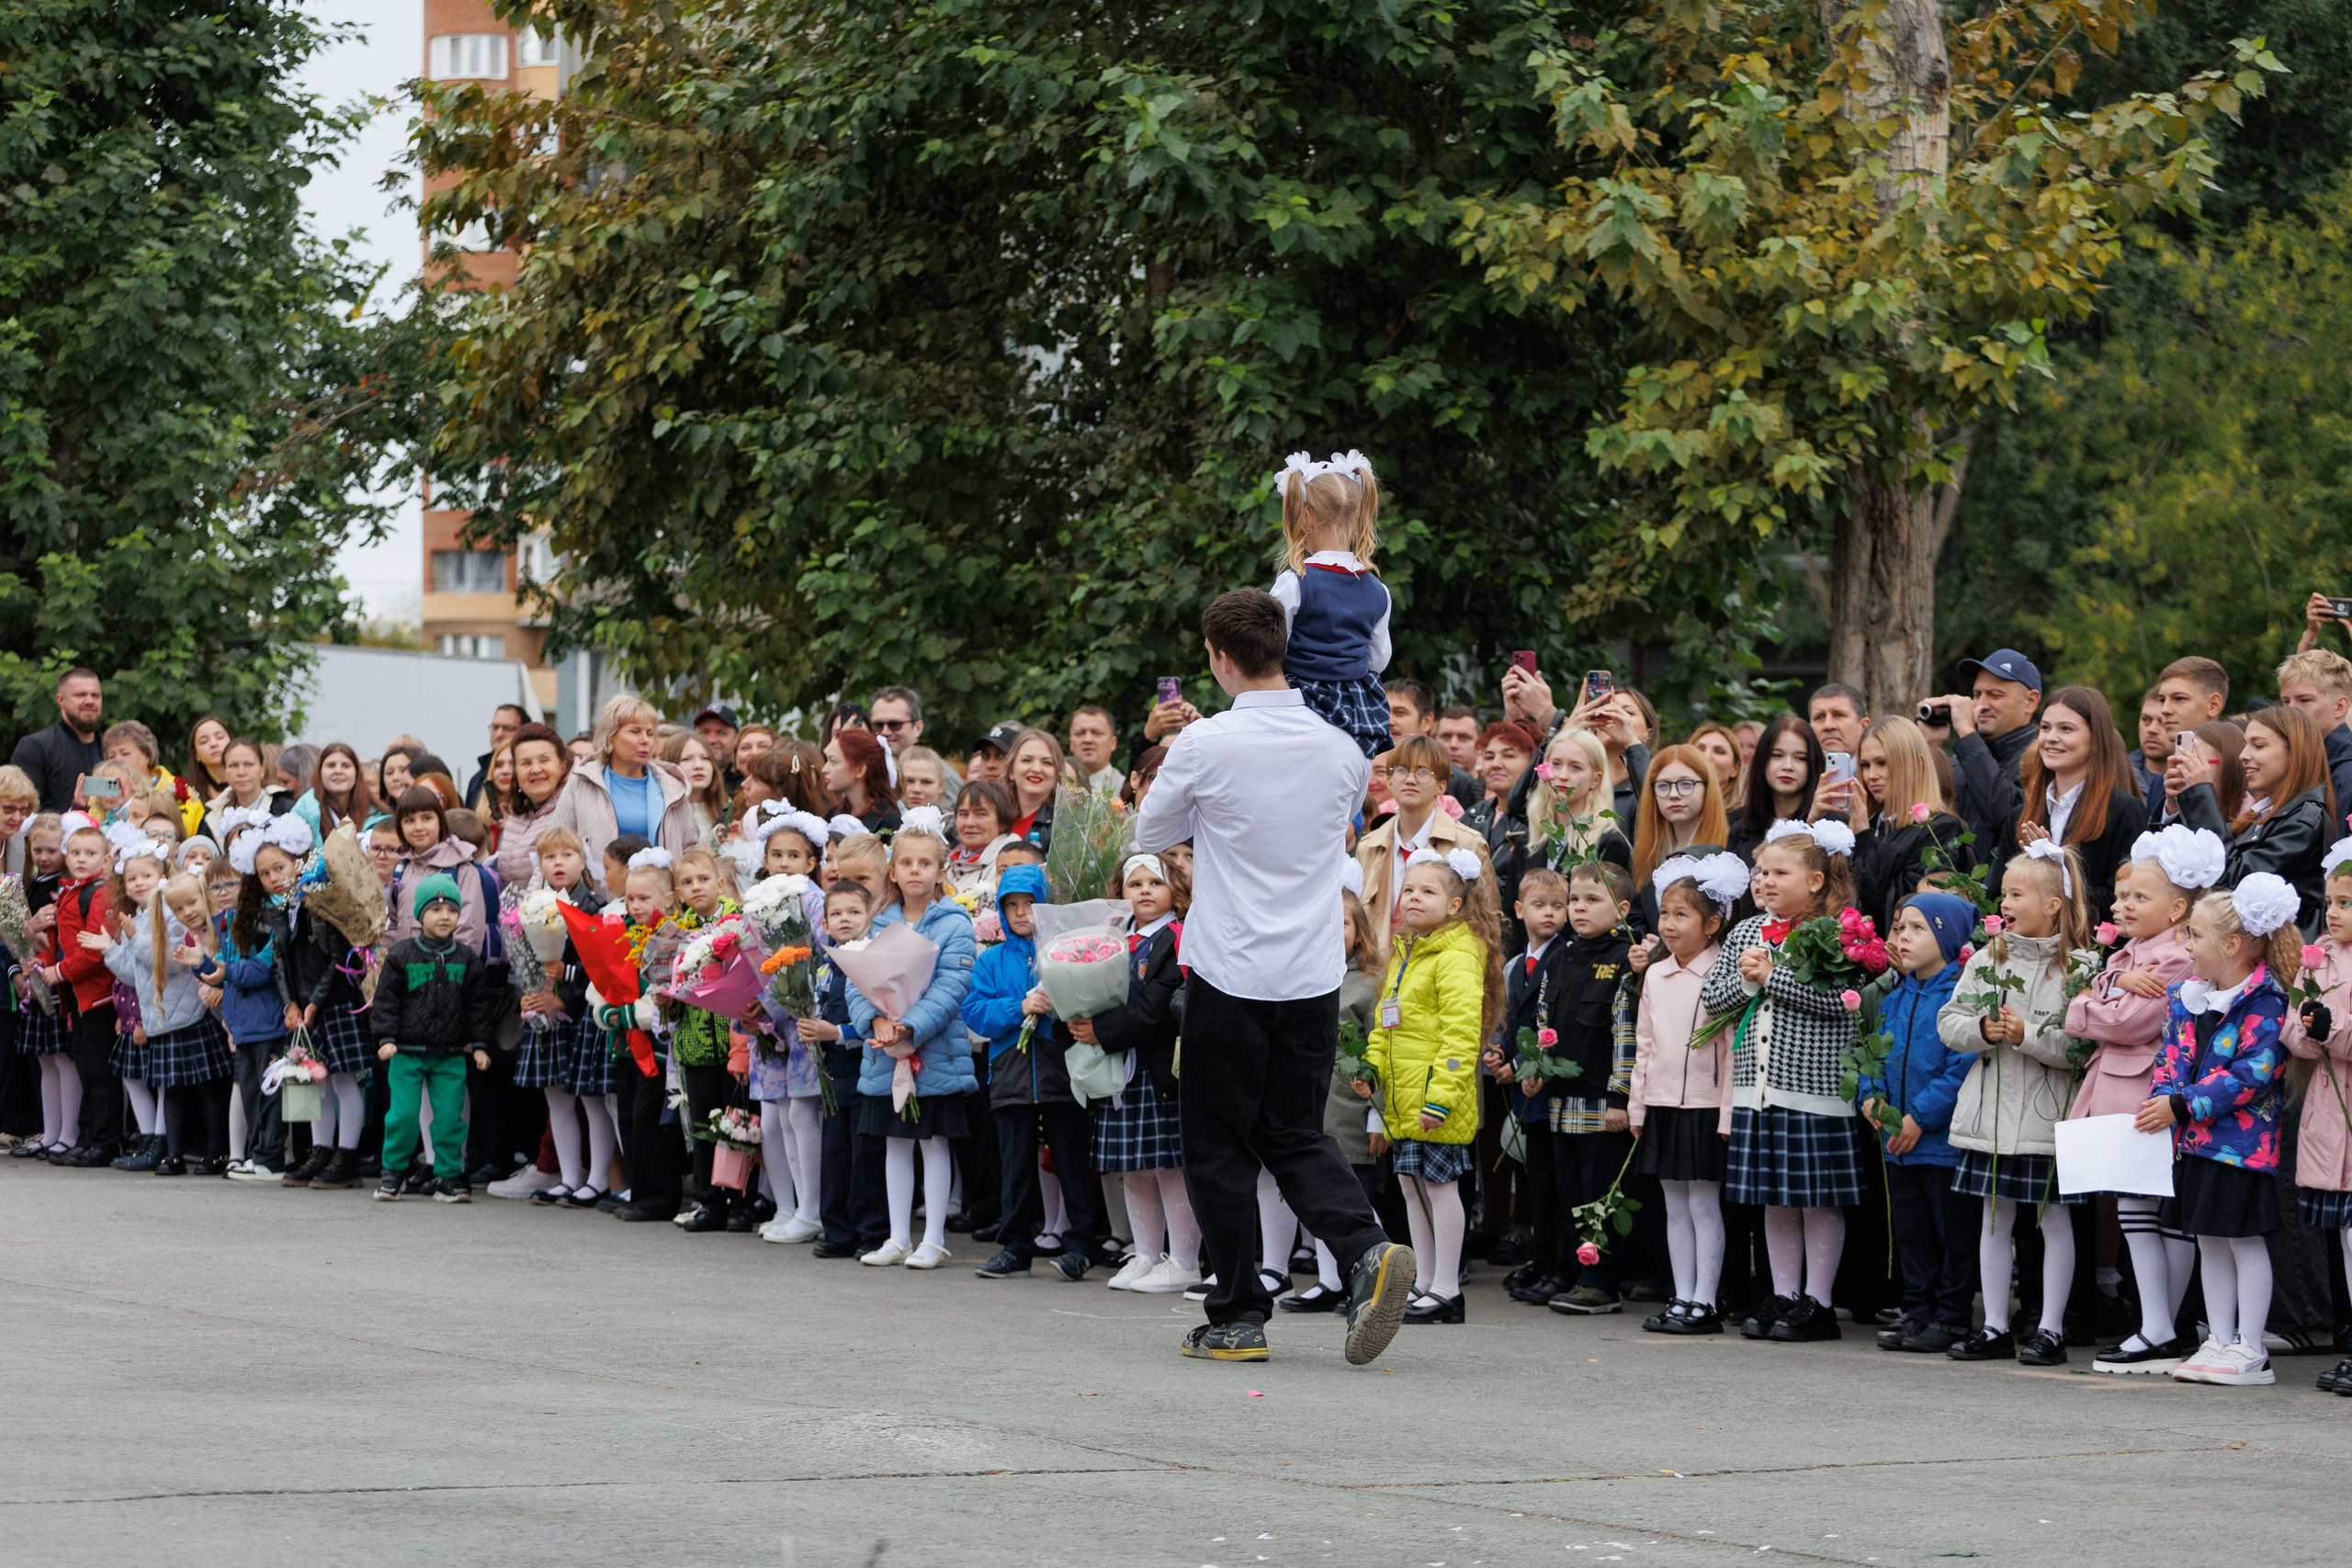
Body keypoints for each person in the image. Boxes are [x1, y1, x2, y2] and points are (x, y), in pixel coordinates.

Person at [1133, 588, 1412, 1366]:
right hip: (1313, 969)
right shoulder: (1341, 749)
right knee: (1292, 1130)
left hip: (1230, 967)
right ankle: (1364, 1248)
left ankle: (1238, 1313)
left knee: (1218, 1145)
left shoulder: (1207, 743)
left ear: (1220, 657)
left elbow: (1150, 833)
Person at [1697, 818, 1865, 1345]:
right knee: (1775, 1196)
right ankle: (1786, 1294)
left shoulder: (1835, 932)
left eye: (1779, 872)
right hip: (1757, 1090)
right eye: (1760, 871)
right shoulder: (1745, 932)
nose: (1765, 881)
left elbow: (1840, 1004)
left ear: (1815, 881)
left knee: (1816, 1198)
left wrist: (1774, 977)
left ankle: (1819, 1302)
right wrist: (1749, 982)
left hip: (1813, 1089)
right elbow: (1713, 1000)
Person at [1937, 840, 2092, 1366]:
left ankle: (2050, 1327)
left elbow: (2081, 1047)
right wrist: (1983, 1028)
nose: (2003, 903)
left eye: (2016, 894)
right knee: (1993, 1220)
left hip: (2046, 1119)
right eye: (2002, 893)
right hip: (1991, 1117)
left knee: (2052, 1220)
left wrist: (2027, 1035)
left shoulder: (2082, 968)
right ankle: (1996, 1324)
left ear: (2052, 904)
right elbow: (1949, 1022)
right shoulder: (1987, 958)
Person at [2064, 830, 2214, 1373]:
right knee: (2140, 1209)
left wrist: (2088, 1002)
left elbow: (2127, 1023)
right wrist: (2108, 979)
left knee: (2147, 1209)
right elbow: (2096, 997)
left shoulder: (2174, 958)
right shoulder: (2127, 957)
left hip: (2148, 1090)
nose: (2124, 905)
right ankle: (2159, 1326)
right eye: (2122, 896)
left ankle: (2159, 1327)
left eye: (2139, 897)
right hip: (2127, 1086)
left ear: (2178, 908)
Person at [2146, 875, 2299, 1386]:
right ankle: (2219, 1337)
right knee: (2209, 1239)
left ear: (2231, 945)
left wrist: (2182, 1104)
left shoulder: (2267, 1000)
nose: (2184, 944)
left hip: (2241, 1148)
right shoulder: (2186, 998)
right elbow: (2170, 1059)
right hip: (2195, 1144)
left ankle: (2251, 1348)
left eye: (2193, 935)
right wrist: (2162, 1099)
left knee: (2244, 1240)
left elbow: (2253, 1074)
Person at [1362, 845, 1500, 1325]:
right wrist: (1372, 1068)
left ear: (1456, 905)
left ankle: (1447, 1289)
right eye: (1409, 889)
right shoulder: (1406, 951)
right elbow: (1386, 1022)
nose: (1414, 898)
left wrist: (1441, 1098)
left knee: (1440, 1188)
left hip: (1435, 1098)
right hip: (1405, 1096)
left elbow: (1461, 1032)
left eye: (1428, 891)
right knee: (1409, 1184)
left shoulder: (1458, 953)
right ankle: (1422, 1281)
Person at [848, 808, 976, 1269]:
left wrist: (911, 1025)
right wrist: (874, 1022)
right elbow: (856, 979)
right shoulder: (878, 919)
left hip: (934, 1051)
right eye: (906, 863)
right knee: (894, 1141)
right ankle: (898, 1236)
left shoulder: (954, 923)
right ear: (893, 870)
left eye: (925, 863)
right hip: (885, 1053)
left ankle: (934, 1237)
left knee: (933, 1140)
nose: (915, 871)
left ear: (942, 871)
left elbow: (950, 987)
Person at [1858, 893, 1980, 1355]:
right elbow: (1870, 1055)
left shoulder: (1958, 996)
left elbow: (1960, 1067)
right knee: (1911, 1231)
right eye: (1897, 927)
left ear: (1946, 938)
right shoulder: (1894, 998)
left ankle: (1951, 1317)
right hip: (1897, 1139)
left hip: (1939, 1142)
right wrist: (1872, 1100)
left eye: (1916, 928)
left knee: (1950, 1232)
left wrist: (1918, 1117)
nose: (1901, 937)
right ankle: (1919, 1310)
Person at [1070, 852, 1197, 1292]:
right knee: (1134, 1166)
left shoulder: (1178, 937)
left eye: (1154, 883)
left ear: (1175, 891)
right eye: (1134, 883)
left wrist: (1099, 1030)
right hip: (1121, 1068)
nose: (1144, 890)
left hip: (1158, 1068)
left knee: (1169, 1166)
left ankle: (1183, 1259)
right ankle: (1144, 1253)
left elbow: (1158, 1007)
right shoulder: (1111, 939)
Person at [1629, 855, 1745, 1334]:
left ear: (1713, 923)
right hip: (1662, 1103)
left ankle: (1706, 1300)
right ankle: (1683, 1296)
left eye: (1682, 915)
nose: (1669, 925)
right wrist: (1638, 1103)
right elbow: (1644, 1042)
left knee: (1703, 1204)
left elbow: (1733, 1049)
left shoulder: (1723, 973)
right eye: (1665, 913)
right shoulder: (1656, 974)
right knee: (1673, 1204)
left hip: (1704, 1106)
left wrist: (1727, 1114)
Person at [1535, 860, 1637, 1316]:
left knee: (1601, 1195)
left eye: (1593, 900)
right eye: (1574, 899)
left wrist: (1620, 1097)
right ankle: (1577, 1272)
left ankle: (1602, 1282)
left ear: (1622, 909)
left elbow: (1626, 1033)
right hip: (1561, 1104)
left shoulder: (1623, 961)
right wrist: (1535, 1066)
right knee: (1570, 1193)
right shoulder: (1561, 957)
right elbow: (1542, 1021)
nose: (1578, 908)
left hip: (1601, 1107)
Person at [369, 873, 500, 1203]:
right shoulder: (402, 955)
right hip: (407, 1052)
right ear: (419, 914)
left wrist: (481, 1044)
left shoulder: (466, 958)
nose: (445, 917)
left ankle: (448, 1175)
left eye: (452, 911)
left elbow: (478, 1006)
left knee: (449, 1119)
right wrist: (386, 1037)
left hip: (450, 1054)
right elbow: (386, 1001)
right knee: (402, 1114)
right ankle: (393, 1172)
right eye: (436, 909)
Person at [2174, 701, 2339, 932]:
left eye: (2258, 746)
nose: (2243, 756)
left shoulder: (2304, 820)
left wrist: (2201, 795)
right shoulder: (2267, 812)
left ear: (2295, 753)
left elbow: (2235, 883)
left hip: (2280, 962)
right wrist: (2178, 800)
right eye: (2244, 745)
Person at [1269, 450, 1393, 760]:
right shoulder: (1379, 590)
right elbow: (1378, 660)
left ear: (1306, 516)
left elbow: (1270, 650)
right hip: (1359, 709)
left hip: (1299, 701)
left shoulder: (1294, 583)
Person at [2285, 842, 2352, 1393]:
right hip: (2331, 1115)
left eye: (2347, 903)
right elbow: (2294, 1033)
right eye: (2330, 901)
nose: (2332, 913)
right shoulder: (2320, 955)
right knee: (2348, 1240)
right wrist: (2309, 1030)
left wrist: (2334, 1028)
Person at [2005, 685, 2144, 922]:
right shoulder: (2020, 815)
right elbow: (2000, 896)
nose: (2051, 738)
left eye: (2066, 729)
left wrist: (2059, 873)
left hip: (2091, 953)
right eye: (2045, 728)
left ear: (2096, 740)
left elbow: (2124, 900)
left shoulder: (2124, 811)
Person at [1353, 734, 1493, 959]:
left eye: (1422, 771)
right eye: (1401, 770)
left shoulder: (1468, 844)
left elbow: (1486, 926)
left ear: (1442, 785)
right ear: (1389, 780)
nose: (1410, 779)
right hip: (1375, 977)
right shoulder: (1369, 845)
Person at [1851, 717, 1973, 934]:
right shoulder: (1869, 825)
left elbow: (1898, 911)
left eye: (1883, 763)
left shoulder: (1942, 829)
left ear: (1916, 764)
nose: (1871, 775)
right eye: (1865, 765)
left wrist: (1863, 837)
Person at [549, 694, 696, 867]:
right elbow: (554, 845)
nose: (645, 740)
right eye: (635, 731)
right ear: (610, 736)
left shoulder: (672, 787)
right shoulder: (582, 782)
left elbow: (690, 849)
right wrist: (537, 893)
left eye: (650, 733)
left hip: (658, 891)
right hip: (598, 891)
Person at [1919, 649, 2043, 849]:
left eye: (1995, 695)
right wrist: (1928, 747)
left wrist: (1968, 733)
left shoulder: (2044, 760)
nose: (1981, 704)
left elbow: (2005, 817)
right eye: (1977, 694)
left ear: (2030, 701)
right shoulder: (1963, 760)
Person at [1627, 743, 1732, 939]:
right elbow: (1637, 917)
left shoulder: (1729, 853)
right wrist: (1642, 948)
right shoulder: (1648, 854)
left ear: (1707, 788)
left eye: (1686, 784)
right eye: (1663, 786)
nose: (1673, 795)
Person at [1728, 715, 1824, 863]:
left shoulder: (1829, 824)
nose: (1787, 766)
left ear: (1812, 764)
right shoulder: (1740, 826)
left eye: (1799, 758)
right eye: (1777, 755)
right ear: (1762, 760)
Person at [11, 668, 104, 813]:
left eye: (95, 695)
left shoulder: (113, 749)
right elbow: (18, 812)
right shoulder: (35, 747)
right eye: (80, 695)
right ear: (61, 700)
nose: (90, 701)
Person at [2276, 648, 2352, 821]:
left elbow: (2338, 846)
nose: (2291, 710)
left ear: (2340, 706)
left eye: (2305, 700)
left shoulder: (2347, 772)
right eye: (2286, 701)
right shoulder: (2301, 762)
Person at [1385, 678, 1478, 807]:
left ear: (1427, 721)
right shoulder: (1362, 768)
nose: (1389, 721)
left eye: (1400, 713)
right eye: (1382, 713)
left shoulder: (1460, 783)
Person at [199, 737, 295, 843]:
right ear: (224, 771)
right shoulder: (212, 816)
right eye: (233, 765)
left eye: (249, 764)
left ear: (262, 769)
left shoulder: (284, 807)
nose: (241, 772)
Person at [823, 727, 901, 836]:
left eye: (833, 761)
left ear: (859, 770)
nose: (824, 769)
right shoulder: (833, 815)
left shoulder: (890, 823)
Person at [293, 742, 377, 839]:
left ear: (357, 773)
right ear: (319, 772)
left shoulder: (376, 813)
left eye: (346, 766)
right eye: (331, 765)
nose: (338, 771)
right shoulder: (304, 811)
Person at [463, 705, 527, 813]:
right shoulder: (477, 780)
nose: (498, 734)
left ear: (524, 731)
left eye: (507, 728)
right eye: (495, 727)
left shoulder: (532, 778)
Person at [1068, 705, 1121, 793]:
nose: (1088, 740)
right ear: (1071, 743)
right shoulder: (1053, 789)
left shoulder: (1128, 788)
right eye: (1080, 733)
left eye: (1097, 733)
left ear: (1113, 743)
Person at [1806, 682, 1868, 759]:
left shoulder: (1882, 770)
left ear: (1863, 726)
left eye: (1838, 715)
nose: (1828, 726)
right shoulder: (1793, 768)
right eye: (1819, 717)